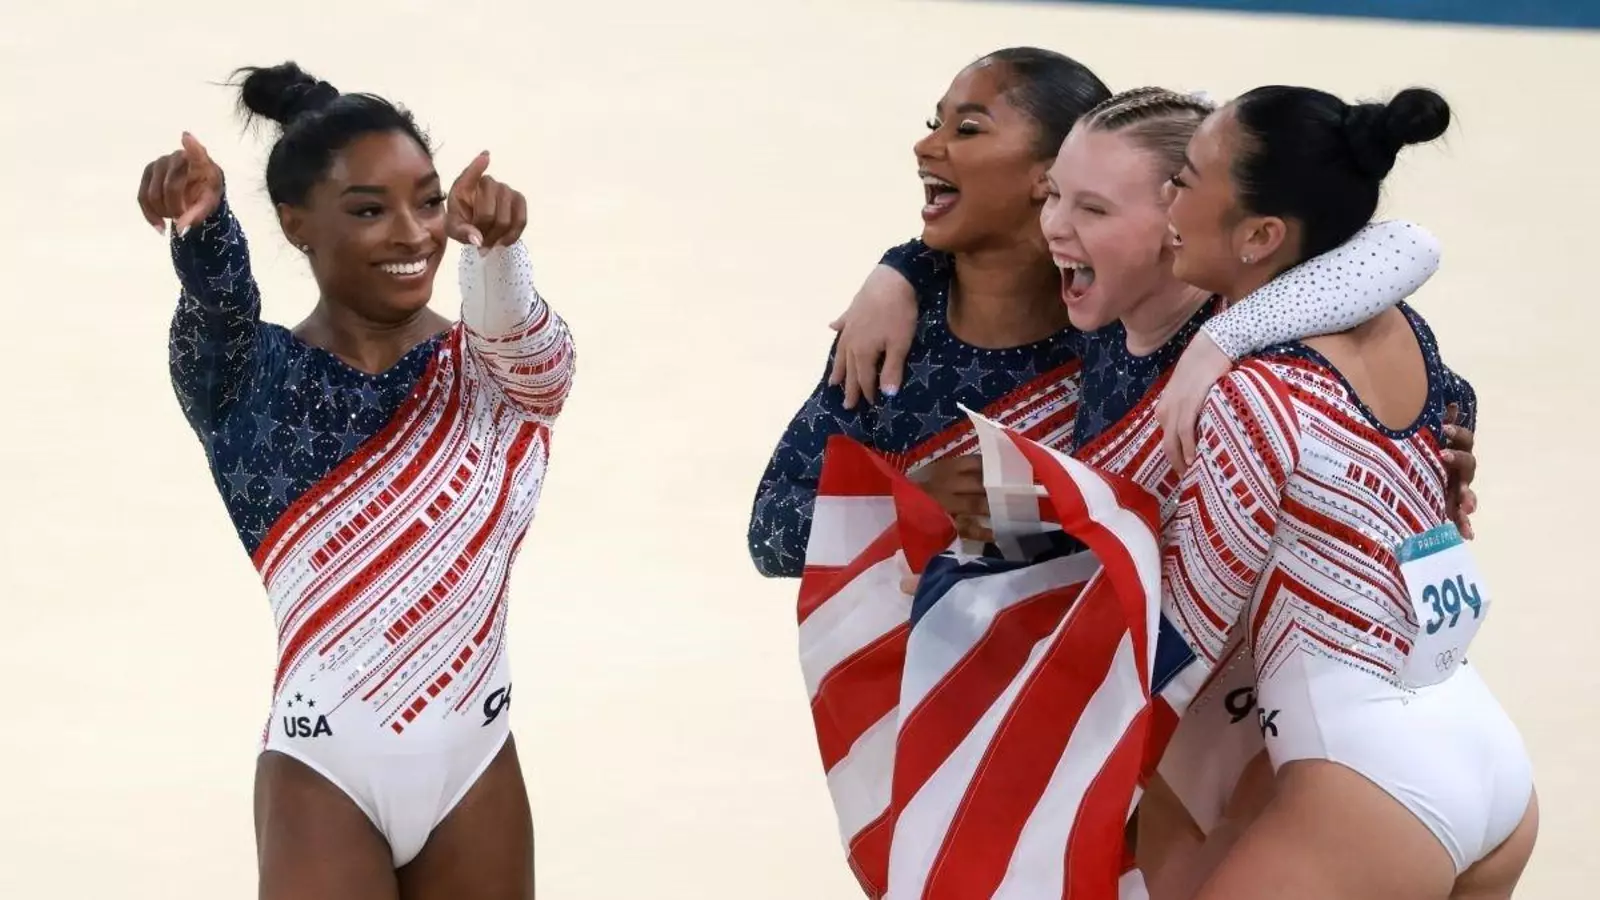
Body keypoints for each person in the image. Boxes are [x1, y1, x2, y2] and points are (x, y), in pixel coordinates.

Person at [749, 57, 1466, 581]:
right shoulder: (905, 332)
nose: (927, 145)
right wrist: (908, 509)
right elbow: (770, 532)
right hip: (958, 704)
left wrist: (1422, 454)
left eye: (1088, 205)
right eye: (1059, 197)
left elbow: (1400, 253)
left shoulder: (1150, 315)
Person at [140, 61, 573, 899]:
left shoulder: (499, 372)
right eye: (370, 210)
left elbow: (523, 340)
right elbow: (217, 317)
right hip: (323, 770)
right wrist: (201, 230)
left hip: (477, 768)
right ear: (295, 223)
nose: (413, 234)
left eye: (430, 202)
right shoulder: (247, 383)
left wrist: (497, 252)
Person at [1151, 85, 1536, 900]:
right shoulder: (1407, 328)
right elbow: (1453, 394)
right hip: (1481, 746)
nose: (1166, 198)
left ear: (1260, 235)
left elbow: (1186, 627)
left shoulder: (1257, 396)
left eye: (1184, 179)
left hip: (1370, 782)